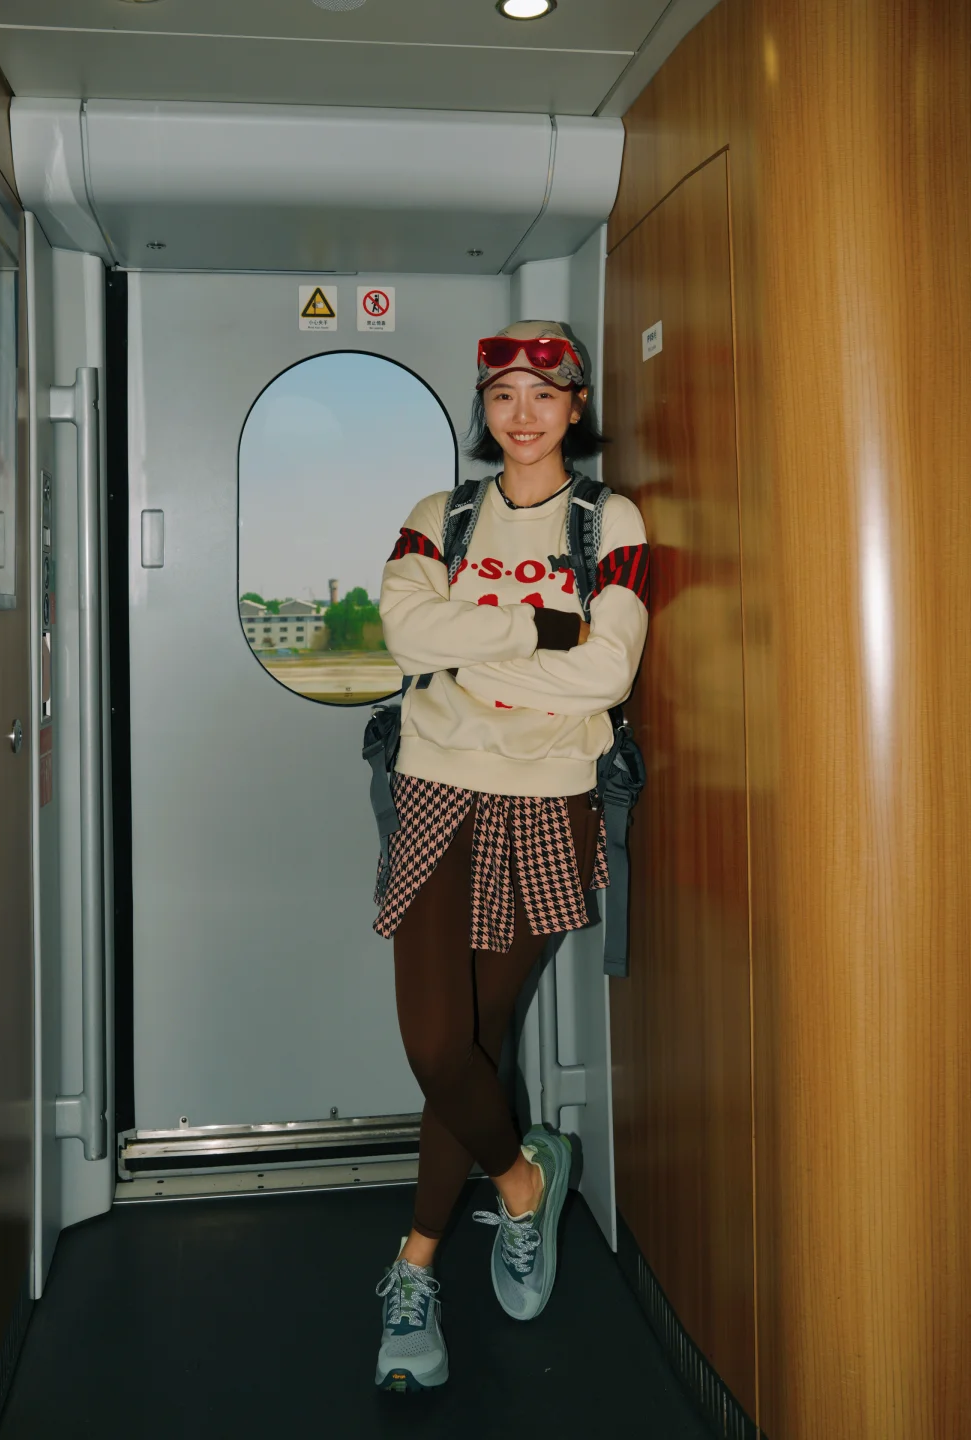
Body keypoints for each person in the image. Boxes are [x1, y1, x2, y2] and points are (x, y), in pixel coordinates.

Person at [372, 321, 650, 1393]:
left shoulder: (606, 520)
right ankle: (525, 1182)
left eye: (544, 392)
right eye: (503, 395)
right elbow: (407, 640)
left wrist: (474, 642)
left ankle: (415, 1268)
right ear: (484, 410)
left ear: (576, 405)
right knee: (437, 1047)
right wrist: (540, 630)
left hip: (547, 799)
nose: (522, 413)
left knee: (480, 1041)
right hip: (435, 786)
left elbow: (607, 674)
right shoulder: (437, 515)